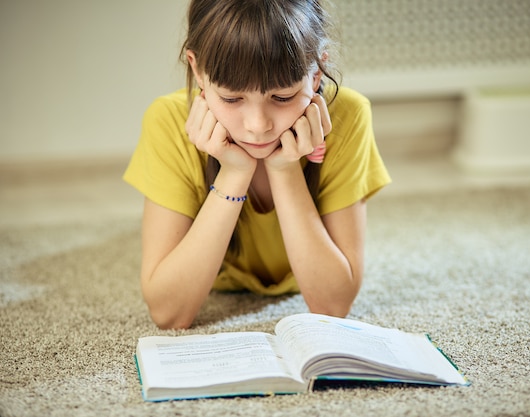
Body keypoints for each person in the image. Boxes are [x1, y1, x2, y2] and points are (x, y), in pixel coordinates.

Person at [123, 0, 391, 329]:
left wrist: (285, 169)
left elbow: (332, 305)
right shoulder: (168, 120)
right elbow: (169, 313)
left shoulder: (347, 116)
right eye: (232, 99)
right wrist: (234, 173)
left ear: (317, 70)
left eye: (282, 97)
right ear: (197, 70)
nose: (258, 125)